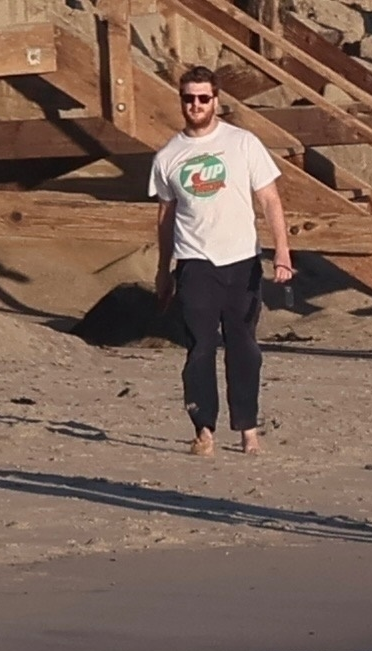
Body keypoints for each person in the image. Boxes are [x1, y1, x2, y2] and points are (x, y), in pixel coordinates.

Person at [148, 65, 294, 457]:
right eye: (188, 98)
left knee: (244, 346)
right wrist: (164, 270)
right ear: (181, 101)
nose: (195, 105)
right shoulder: (169, 155)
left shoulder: (242, 143)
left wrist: (281, 251)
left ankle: (247, 429)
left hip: (241, 260)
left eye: (203, 98)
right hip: (195, 261)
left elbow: (270, 199)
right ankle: (204, 429)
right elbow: (165, 215)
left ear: (216, 100)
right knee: (199, 347)